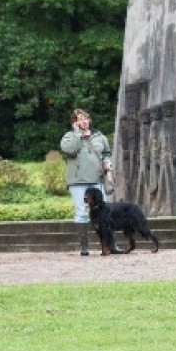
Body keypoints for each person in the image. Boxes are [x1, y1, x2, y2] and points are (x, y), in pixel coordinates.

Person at [60, 108, 112, 255]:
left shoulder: (100, 136)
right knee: (81, 212)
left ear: (89, 120)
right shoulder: (69, 137)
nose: (83, 121)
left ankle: (110, 244)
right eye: (79, 119)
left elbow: (106, 153)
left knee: (104, 212)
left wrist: (107, 162)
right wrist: (77, 133)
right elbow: (70, 150)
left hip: (97, 179)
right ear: (74, 122)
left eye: (85, 118)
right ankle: (84, 247)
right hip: (78, 181)